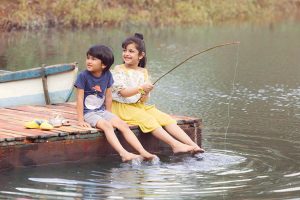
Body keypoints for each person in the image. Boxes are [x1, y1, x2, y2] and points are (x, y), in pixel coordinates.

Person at [111, 33, 204, 155]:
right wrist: (141, 88)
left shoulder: (143, 72)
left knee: (165, 119)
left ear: (141, 55)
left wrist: (146, 92)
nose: (126, 54)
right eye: (124, 50)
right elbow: (123, 93)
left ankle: (193, 145)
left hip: (137, 106)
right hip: (121, 108)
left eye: (131, 51)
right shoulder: (119, 70)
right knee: (149, 120)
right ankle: (175, 145)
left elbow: (142, 100)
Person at [74, 44, 157, 162]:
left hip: (101, 111)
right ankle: (124, 154)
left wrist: (109, 114)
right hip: (88, 113)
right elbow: (79, 99)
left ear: (104, 65)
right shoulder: (83, 76)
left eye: (93, 59)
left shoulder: (107, 75)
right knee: (107, 126)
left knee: (122, 125)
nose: (89, 61)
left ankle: (142, 151)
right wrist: (80, 120)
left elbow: (108, 97)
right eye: (88, 58)